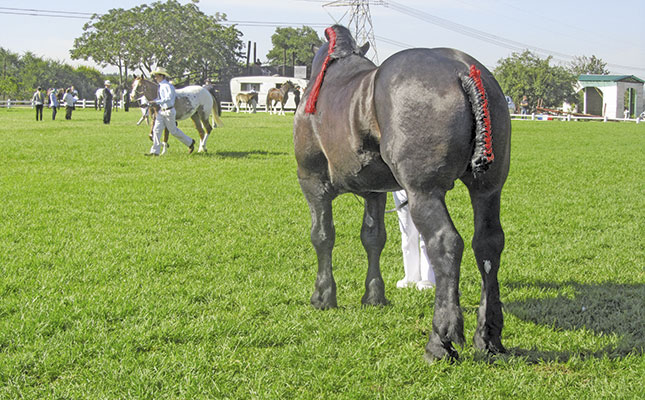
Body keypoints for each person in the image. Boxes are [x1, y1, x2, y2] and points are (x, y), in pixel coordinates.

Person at [145, 67, 195, 156]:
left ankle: (190, 142)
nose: (155, 78)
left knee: (174, 131)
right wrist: (151, 102)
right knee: (156, 130)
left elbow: (168, 98)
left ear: (161, 76)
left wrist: (156, 102)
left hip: (169, 111)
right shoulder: (161, 86)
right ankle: (154, 151)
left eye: (156, 76)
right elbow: (160, 99)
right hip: (161, 111)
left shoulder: (168, 86)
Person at [392, 190, 435, 290]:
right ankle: (411, 276)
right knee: (407, 233)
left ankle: (428, 278)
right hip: (399, 185)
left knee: (426, 231)